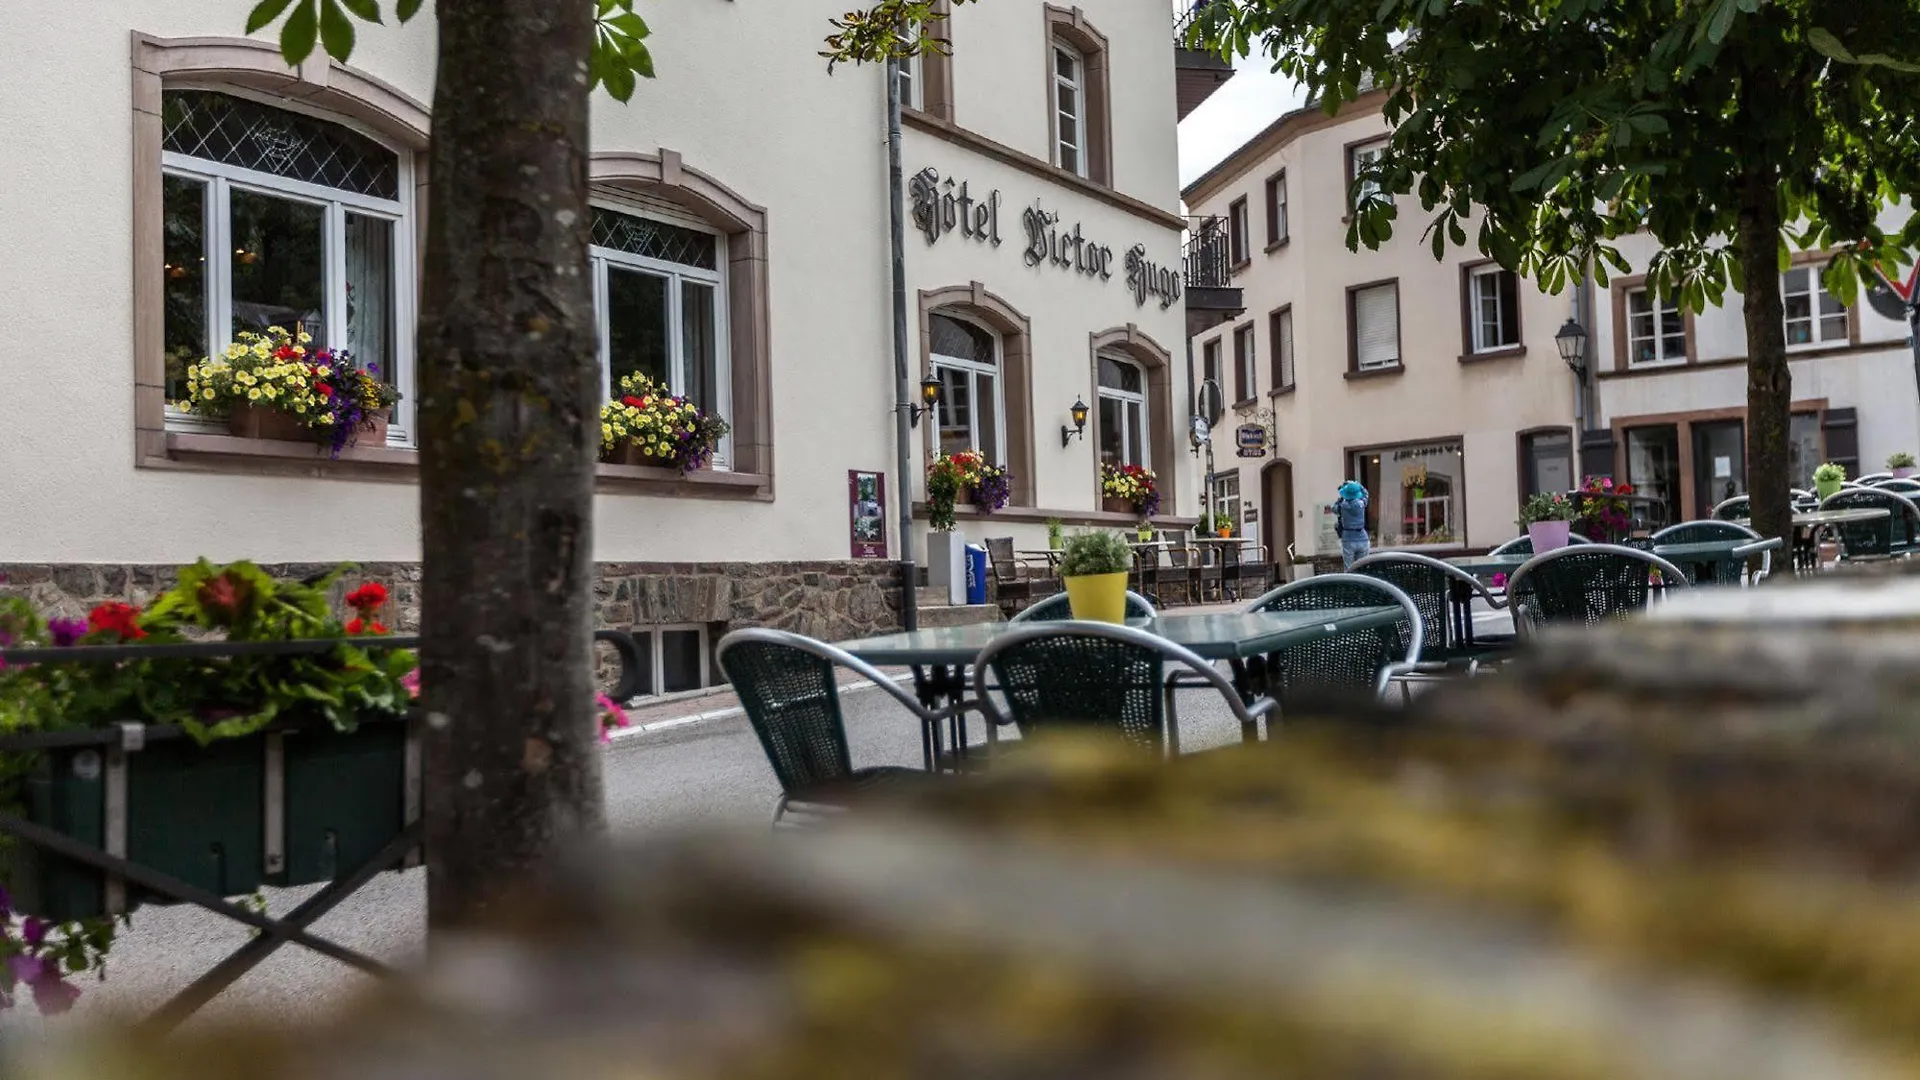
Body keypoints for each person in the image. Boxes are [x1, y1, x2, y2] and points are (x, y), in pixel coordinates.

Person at [1335, 480, 1371, 567]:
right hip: (1362, 537)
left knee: (1349, 568)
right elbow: (1366, 494)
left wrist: (1341, 498)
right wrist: (1358, 485)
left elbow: (1334, 508)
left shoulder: (1342, 506)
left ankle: (1349, 581)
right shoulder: (1361, 504)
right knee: (1363, 567)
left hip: (1348, 538)